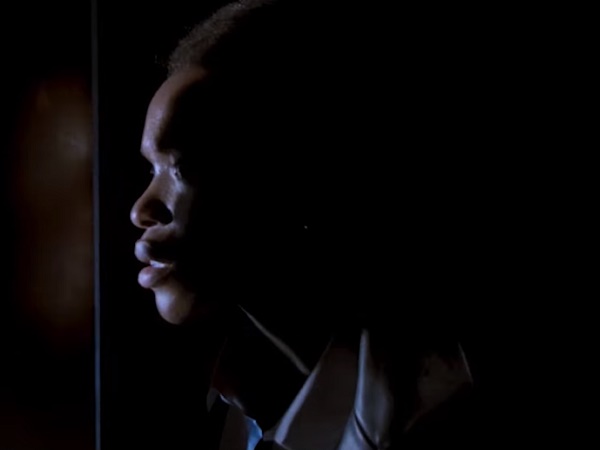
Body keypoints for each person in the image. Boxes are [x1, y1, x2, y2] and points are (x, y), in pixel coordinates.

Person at [130, 1, 477, 448]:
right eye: (151, 169)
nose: (141, 209)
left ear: (290, 174)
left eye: (182, 167)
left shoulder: (433, 414)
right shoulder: (230, 399)